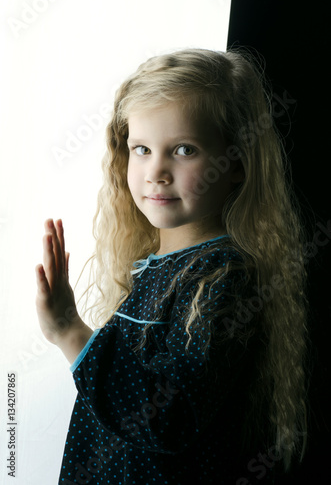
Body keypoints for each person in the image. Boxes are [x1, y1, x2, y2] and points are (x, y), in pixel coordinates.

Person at [35, 48, 310, 484]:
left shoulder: (224, 278)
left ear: (236, 162)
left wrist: (70, 330)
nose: (156, 171)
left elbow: (167, 418)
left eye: (184, 149)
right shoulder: (155, 268)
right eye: (141, 149)